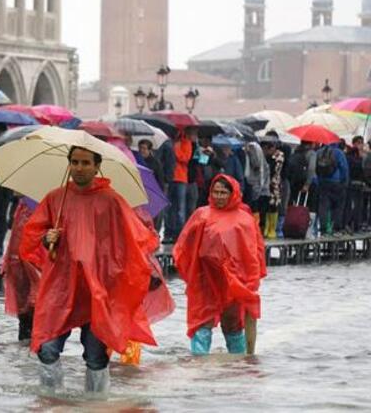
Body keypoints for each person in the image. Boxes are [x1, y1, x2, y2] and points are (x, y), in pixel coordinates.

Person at [20, 146, 159, 393]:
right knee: (46, 347)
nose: (79, 168)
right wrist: (46, 237)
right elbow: (32, 234)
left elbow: (133, 240)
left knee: (96, 355)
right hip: (61, 286)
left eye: (85, 163)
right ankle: (51, 403)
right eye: (74, 162)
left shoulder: (112, 200)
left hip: (99, 288)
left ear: (97, 166)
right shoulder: (55, 198)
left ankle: (95, 405)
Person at [174, 174, 266, 355]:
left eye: (223, 192)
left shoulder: (244, 220)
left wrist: (250, 282)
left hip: (232, 280)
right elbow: (184, 245)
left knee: (232, 323)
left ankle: (238, 365)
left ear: (233, 193)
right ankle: (199, 366)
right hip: (205, 278)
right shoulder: (201, 214)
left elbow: (254, 253)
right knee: (202, 321)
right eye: (215, 192)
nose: (219, 196)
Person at [2, 198, 42, 341]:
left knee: (36, 297)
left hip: (39, 252)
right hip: (22, 254)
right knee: (24, 293)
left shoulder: (57, 203)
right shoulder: (24, 206)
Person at [316, 142, 349, 237]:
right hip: (336, 182)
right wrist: (343, 182)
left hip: (323, 182)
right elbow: (344, 169)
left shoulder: (319, 152)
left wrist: (319, 180)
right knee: (338, 206)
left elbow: (315, 169)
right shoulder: (339, 153)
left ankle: (323, 230)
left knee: (324, 207)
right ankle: (336, 229)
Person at [344, 136, 366, 233]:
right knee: (352, 206)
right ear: (354, 143)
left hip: (360, 184)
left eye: (361, 142)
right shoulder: (350, 155)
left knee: (358, 206)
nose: (360, 145)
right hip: (352, 183)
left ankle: (356, 225)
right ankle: (349, 224)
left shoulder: (362, 156)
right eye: (358, 142)